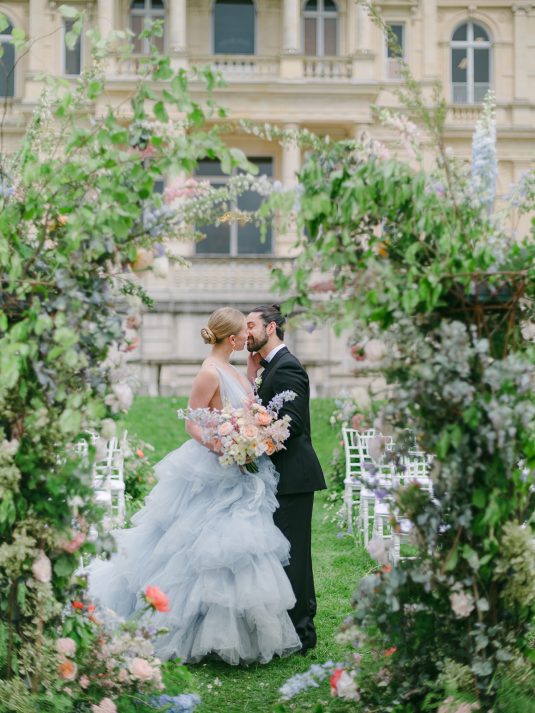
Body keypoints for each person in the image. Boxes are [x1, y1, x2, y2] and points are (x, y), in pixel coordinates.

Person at [87, 307, 302, 664]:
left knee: (236, 548)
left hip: (241, 467)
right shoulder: (208, 372)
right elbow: (192, 422)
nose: (247, 336)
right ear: (231, 338)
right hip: (216, 467)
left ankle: (232, 631)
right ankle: (188, 627)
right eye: (243, 332)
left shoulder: (234, 368)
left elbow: (246, 409)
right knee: (201, 549)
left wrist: (252, 386)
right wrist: (223, 446)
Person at [246, 304, 326, 655]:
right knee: (284, 555)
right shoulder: (268, 367)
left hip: (294, 477)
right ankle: (291, 627)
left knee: (294, 556)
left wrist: (251, 444)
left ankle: (303, 632)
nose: (246, 332)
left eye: (251, 325)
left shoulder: (288, 366)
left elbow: (290, 425)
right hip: (280, 477)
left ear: (271, 328)